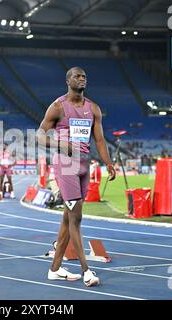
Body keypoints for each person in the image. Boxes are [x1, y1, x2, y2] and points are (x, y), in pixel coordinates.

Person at [37, 67, 116, 287]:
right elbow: (40, 135)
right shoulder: (58, 107)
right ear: (67, 80)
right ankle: (86, 270)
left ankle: (54, 269)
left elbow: (99, 141)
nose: (82, 79)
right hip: (65, 165)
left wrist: (108, 162)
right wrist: (60, 143)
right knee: (76, 217)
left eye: (84, 76)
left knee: (68, 217)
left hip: (83, 165)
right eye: (77, 76)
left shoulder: (93, 108)